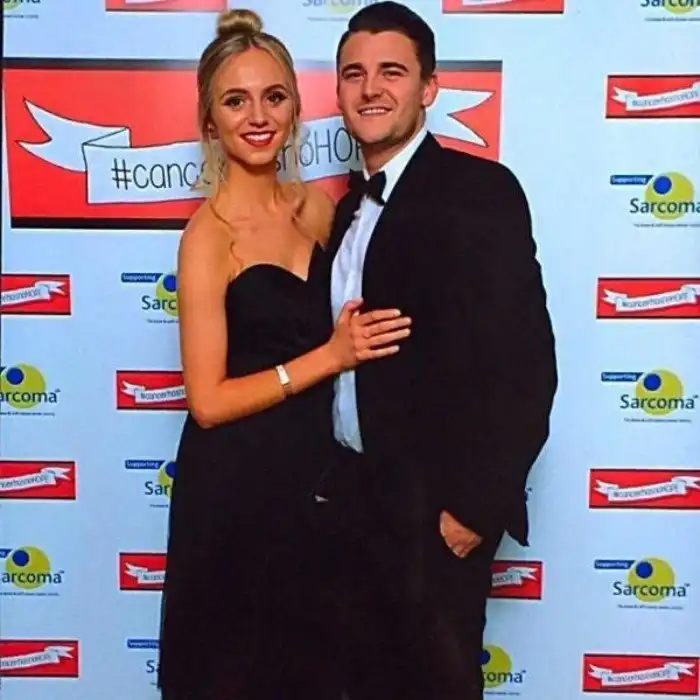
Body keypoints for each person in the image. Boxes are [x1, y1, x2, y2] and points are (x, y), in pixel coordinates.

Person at [157, 9, 412, 700]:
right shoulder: (207, 238)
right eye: (235, 101)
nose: (258, 116)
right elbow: (207, 402)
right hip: (236, 491)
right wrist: (328, 358)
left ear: (297, 107)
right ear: (210, 120)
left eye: (273, 97)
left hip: (321, 483)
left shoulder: (320, 210)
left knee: (316, 671)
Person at [315, 3, 558, 699]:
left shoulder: (479, 192)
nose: (370, 89)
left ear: (429, 87)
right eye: (354, 74)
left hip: (434, 517)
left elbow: (526, 367)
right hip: (350, 507)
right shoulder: (345, 210)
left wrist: (475, 509)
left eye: (391, 72)